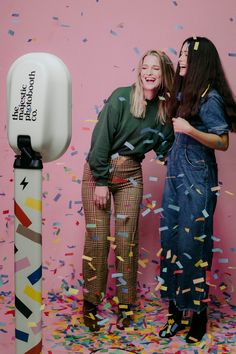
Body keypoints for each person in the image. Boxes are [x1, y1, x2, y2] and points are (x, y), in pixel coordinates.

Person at [81, 49, 175, 331]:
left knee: (126, 242)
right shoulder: (121, 97)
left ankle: (125, 305)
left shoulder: (162, 111)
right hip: (99, 171)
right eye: (145, 67)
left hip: (131, 175)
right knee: (97, 241)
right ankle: (90, 304)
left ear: (163, 75)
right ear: (139, 71)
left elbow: (165, 148)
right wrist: (100, 181)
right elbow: (100, 140)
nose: (149, 72)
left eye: (155, 69)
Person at [158, 36, 236, 343]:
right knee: (172, 244)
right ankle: (176, 313)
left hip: (198, 180)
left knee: (193, 248)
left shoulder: (210, 97)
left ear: (200, 61)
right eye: (179, 53)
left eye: (186, 55)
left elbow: (223, 142)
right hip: (175, 176)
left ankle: (199, 316)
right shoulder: (183, 92)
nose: (180, 59)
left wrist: (190, 130)